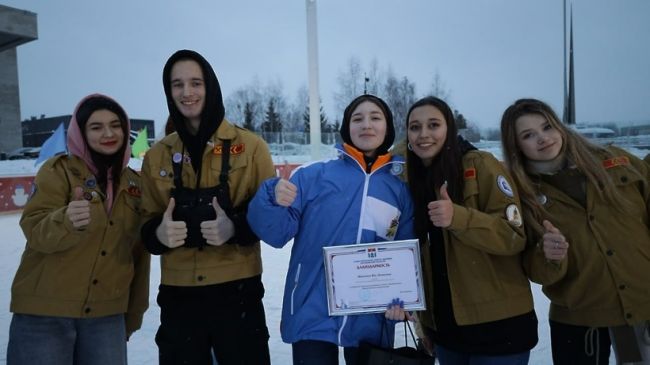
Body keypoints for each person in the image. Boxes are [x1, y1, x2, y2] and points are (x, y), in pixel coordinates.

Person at [247, 94, 414, 365]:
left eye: (375, 118)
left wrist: (403, 301)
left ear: (388, 127)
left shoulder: (399, 191)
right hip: (312, 309)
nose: (366, 125)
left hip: (370, 317)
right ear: (347, 127)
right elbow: (275, 234)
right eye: (357, 119)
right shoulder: (313, 176)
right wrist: (270, 197)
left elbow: (405, 255)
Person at [139, 49, 275, 365]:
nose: (187, 93)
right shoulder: (157, 155)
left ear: (210, 86)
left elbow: (270, 219)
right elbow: (143, 225)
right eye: (177, 85)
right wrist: (158, 233)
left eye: (195, 83)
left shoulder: (253, 148)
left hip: (238, 292)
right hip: (179, 296)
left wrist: (236, 227)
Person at [500, 98, 650, 365]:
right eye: (528, 135)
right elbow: (533, 270)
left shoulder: (616, 161)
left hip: (642, 305)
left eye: (547, 127)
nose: (542, 138)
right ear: (516, 146)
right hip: (580, 322)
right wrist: (548, 255)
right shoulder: (519, 195)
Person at [7, 93, 150, 364]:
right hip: (45, 314)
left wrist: (132, 314)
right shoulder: (58, 171)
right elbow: (34, 230)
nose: (108, 133)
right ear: (81, 132)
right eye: (96, 127)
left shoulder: (135, 185)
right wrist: (65, 220)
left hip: (106, 317)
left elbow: (138, 256)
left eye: (115, 125)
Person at [404, 96, 538, 365]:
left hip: (499, 329)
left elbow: (513, 236)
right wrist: (424, 325)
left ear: (449, 129)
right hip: (446, 332)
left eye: (433, 125)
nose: (424, 134)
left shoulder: (480, 164)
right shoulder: (411, 177)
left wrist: (459, 218)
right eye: (415, 127)